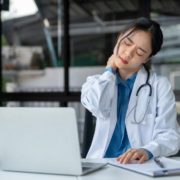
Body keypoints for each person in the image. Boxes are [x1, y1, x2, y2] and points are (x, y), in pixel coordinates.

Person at [81, 17, 180, 164]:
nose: (128, 53)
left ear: (147, 58)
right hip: (101, 165)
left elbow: (170, 135)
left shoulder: (160, 86)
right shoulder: (95, 82)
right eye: (127, 43)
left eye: (140, 52)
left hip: (139, 167)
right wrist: (109, 71)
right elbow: (98, 107)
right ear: (119, 37)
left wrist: (148, 150)